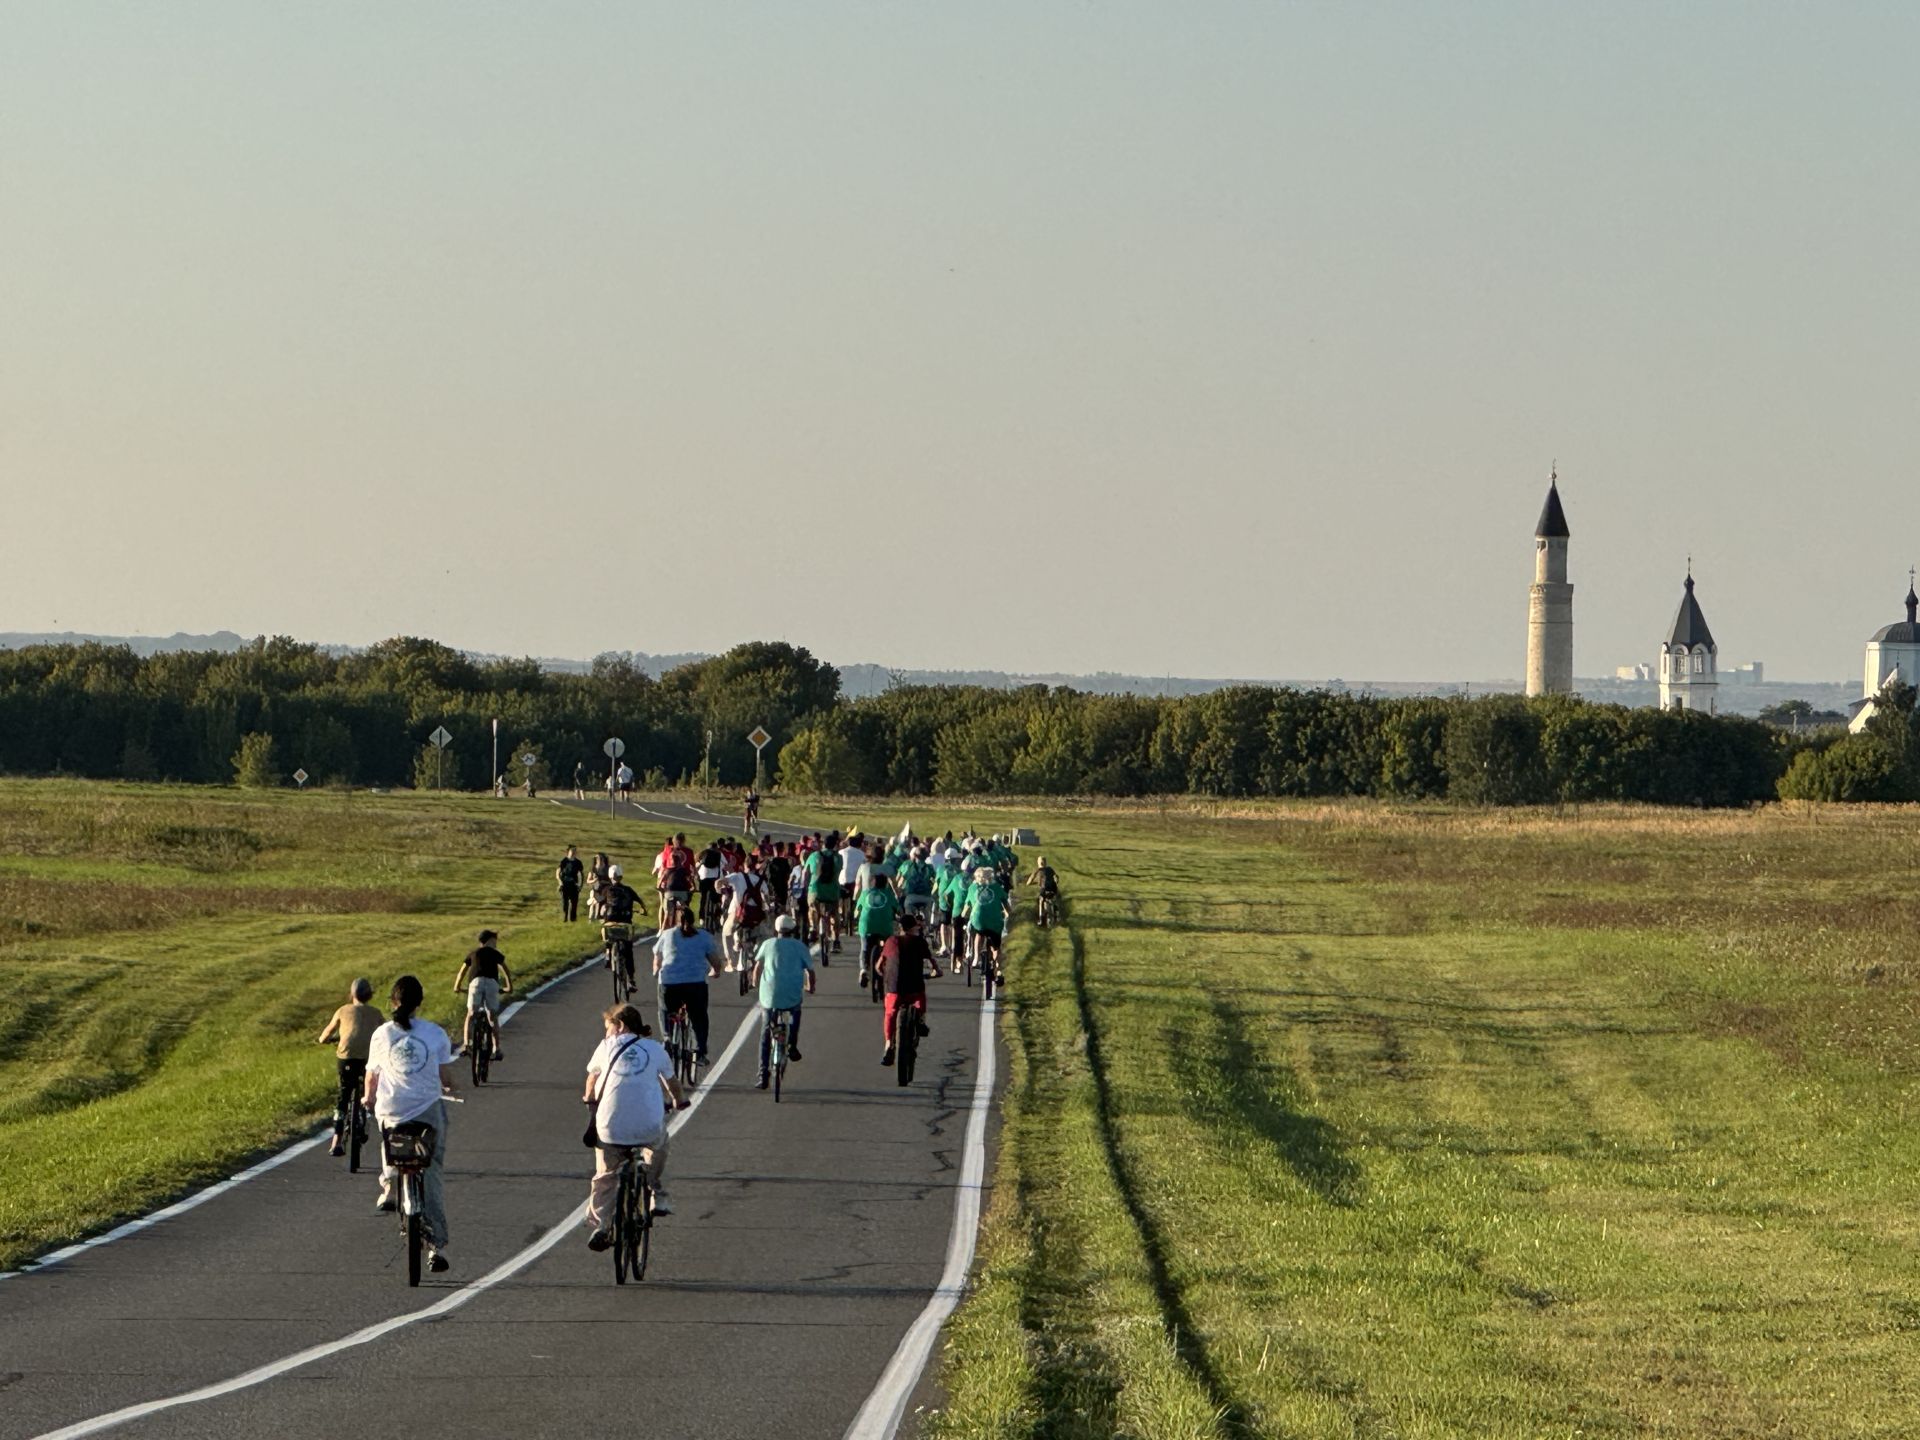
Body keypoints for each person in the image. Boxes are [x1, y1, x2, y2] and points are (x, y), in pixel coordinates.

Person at [364, 975, 460, 1271]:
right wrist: (452, 1090)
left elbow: (372, 1078)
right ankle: (436, 1247)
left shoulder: (381, 1034)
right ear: (420, 1003)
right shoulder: (435, 1034)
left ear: (392, 1002)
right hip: (427, 1110)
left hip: (392, 1110)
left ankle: (390, 1181)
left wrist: (368, 1099)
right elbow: (444, 1077)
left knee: (388, 1134)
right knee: (431, 1171)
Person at [583, 1002, 683, 1241]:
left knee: (605, 1173)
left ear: (620, 1026)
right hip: (647, 1125)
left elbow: (591, 1081)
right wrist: (680, 1101)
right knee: (658, 1144)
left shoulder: (606, 1046)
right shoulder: (655, 1049)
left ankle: (603, 1226)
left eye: (608, 1028)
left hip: (610, 1129)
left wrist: (589, 1099)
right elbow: (673, 1084)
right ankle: (654, 1190)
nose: (606, 1034)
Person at [749, 914, 817, 1089]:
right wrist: (811, 986)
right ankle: (792, 1045)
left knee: (765, 1033)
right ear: (792, 930)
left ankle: (763, 1074)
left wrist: (755, 983)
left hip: (769, 995)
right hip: (792, 993)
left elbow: (757, 967)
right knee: (795, 1012)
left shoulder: (768, 944)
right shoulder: (800, 946)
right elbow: (810, 971)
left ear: (776, 930)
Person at [316, 977, 382, 1157]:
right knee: (367, 1089)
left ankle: (336, 1140)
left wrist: (325, 1040)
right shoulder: (375, 1013)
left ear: (352, 994)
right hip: (368, 1058)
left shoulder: (343, 1010)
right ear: (370, 996)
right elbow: (384, 1032)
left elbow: (327, 1033)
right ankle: (365, 1117)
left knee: (344, 1095)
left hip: (346, 1057)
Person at [653, 901, 722, 1066]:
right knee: (699, 1017)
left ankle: (667, 1037)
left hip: (669, 983)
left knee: (664, 1009)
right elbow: (716, 962)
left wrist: (657, 971)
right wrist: (715, 972)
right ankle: (699, 1051)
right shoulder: (704, 936)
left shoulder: (667, 934)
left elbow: (657, 958)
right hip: (695, 983)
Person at [879, 912, 941, 1065]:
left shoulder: (891, 941)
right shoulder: (920, 942)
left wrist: (885, 975)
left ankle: (888, 1045)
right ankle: (920, 1019)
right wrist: (936, 972)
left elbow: (879, 966)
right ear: (914, 927)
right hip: (914, 989)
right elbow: (933, 964)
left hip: (894, 988)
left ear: (900, 927)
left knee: (890, 1013)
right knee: (920, 996)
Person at [452, 930, 512, 1062]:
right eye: (495, 941)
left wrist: (457, 986)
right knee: (492, 1016)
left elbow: (462, 971)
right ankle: (496, 1048)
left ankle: (467, 1044)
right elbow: (505, 969)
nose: (496, 944)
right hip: (491, 983)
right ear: (490, 940)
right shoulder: (495, 953)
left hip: (475, 983)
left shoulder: (473, 953)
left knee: (471, 1013)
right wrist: (509, 986)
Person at [722, 852, 774, 971]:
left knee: (726, 932)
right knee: (766, 935)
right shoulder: (761, 881)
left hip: (737, 914)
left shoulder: (737, 876)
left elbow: (721, 881)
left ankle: (730, 961)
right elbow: (766, 897)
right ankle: (757, 958)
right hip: (755, 916)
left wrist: (718, 887)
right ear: (755, 866)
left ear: (744, 865)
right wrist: (768, 909)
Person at [598, 864, 645, 990]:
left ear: (610, 877)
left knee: (606, 932)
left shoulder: (606, 890)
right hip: (625, 923)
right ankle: (631, 980)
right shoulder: (628, 890)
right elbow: (640, 901)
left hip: (610, 921)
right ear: (621, 877)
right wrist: (643, 909)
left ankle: (608, 952)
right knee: (628, 952)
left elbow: (600, 903)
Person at [961, 866, 1009, 986]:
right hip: (995, 921)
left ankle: (976, 958)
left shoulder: (972, 888)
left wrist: (963, 915)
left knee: (978, 933)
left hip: (978, 920)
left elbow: (966, 907)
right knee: (996, 947)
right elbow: (1006, 905)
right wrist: (1008, 914)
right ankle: (998, 969)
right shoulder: (997, 888)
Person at [854, 874, 900, 986]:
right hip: (885, 926)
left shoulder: (865, 893)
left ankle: (864, 970)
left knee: (864, 948)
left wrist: (856, 916)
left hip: (866, 925)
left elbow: (857, 911)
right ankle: (887, 966)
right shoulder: (888, 894)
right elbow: (898, 910)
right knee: (888, 948)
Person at [806, 832, 843, 958]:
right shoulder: (838, 857)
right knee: (835, 914)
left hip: (815, 891)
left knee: (811, 906)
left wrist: (806, 887)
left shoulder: (814, 855)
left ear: (823, 844)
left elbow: (806, 874)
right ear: (834, 845)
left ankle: (812, 928)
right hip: (832, 892)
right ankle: (836, 940)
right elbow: (838, 873)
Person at [897, 846, 937, 929]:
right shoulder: (929, 868)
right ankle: (928, 928)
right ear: (925, 857)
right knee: (928, 910)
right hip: (926, 897)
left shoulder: (908, 866)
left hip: (911, 897)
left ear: (915, 856)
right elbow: (935, 881)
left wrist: (898, 889)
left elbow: (900, 881)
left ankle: (909, 927)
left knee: (907, 906)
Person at [1025, 854, 1060, 921]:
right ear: (1045, 862)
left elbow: (1029, 882)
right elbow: (1056, 876)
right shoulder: (1050, 869)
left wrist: (1033, 883)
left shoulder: (1037, 871)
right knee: (1055, 899)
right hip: (1053, 888)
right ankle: (1057, 914)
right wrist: (1056, 881)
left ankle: (1040, 918)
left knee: (1041, 901)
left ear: (1038, 863)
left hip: (1044, 889)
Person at [557, 844, 585, 922]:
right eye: (572, 850)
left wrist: (580, 885)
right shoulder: (564, 861)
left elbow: (581, 874)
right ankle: (565, 918)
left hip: (574, 885)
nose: (574, 852)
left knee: (574, 904)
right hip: (565, 885)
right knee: (565, 903)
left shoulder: (578, 862)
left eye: (575, 851)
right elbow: (558, 872)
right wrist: (560, 882)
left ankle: (573, 920)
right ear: (568, 851)